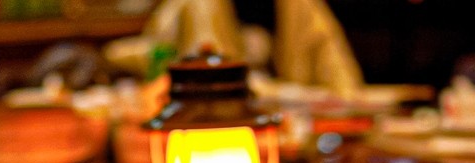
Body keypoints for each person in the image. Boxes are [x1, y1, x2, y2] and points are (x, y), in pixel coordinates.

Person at [105, 0, 364, 96]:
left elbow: (338, 67)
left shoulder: (299, 6)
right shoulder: (196, 6)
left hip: (297, 131)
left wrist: (346, 95)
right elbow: (208, 75)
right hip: (221, 128)